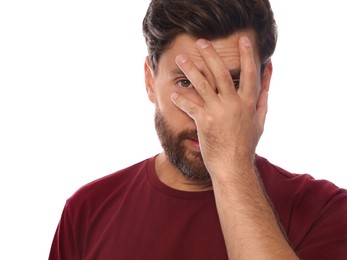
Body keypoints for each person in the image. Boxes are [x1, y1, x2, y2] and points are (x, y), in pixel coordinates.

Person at [49, 0, 347, 259]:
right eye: (187, 82)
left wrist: (231, 165)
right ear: (150, 82)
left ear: (263, 83)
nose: (208, 116)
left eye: (233, 84)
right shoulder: (86, 212)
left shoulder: (325, 211)